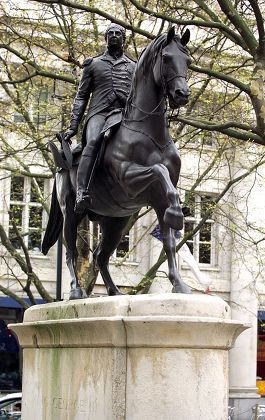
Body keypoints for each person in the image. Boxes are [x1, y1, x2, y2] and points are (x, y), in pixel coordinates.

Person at [63, 23, 135, 213]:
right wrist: (73, 126)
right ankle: (81, 192)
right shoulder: (93, 64)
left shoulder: (133, 66)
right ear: (105, 38)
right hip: (99, 114)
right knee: (93, 141)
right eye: (110, 33)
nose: (113, 36)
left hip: (124, 115)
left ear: (123, 38)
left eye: (117, 33)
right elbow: (81, 96)